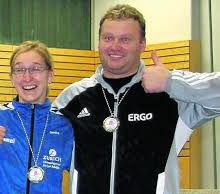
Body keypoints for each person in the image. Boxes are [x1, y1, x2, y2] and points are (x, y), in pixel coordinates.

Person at [51, 4, 220, 194]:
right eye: (108, 38)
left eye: (125, 39)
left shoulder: (171, 98)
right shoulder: (72, 98)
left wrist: (172, 82)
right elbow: (36, 142)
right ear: (99, 42)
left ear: (142, 44)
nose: (115, 46)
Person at [0, 40, 74, 194]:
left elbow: (87, 174)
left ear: (50, 75)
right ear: (12, 78)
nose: (27, 77)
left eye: (36, 68)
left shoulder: (65, 125)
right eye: (19, 70)